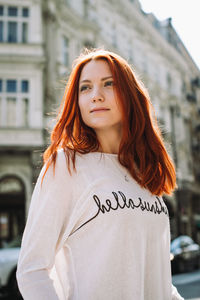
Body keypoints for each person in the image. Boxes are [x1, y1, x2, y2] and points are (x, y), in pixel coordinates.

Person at [16, 48, 184, 300]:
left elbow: (157, 277)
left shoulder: (144, 174)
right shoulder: (66, 165)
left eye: (109, 84)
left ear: (129, 95)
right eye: (85, 88)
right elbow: (32, 269)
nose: (96, 96)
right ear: (77, 101)